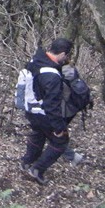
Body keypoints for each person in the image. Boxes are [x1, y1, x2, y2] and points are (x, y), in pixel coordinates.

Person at [19, 37, 73, 185]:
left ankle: (26, 162)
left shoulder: (36, 60)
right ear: (62, 54)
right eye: (67, 56)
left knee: (39, 134)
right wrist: (59, 128)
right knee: (61, 141)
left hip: (29, 108)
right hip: (41, 112)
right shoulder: (52, 75)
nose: (66, 59)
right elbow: (51, 105)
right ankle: (37, 170)